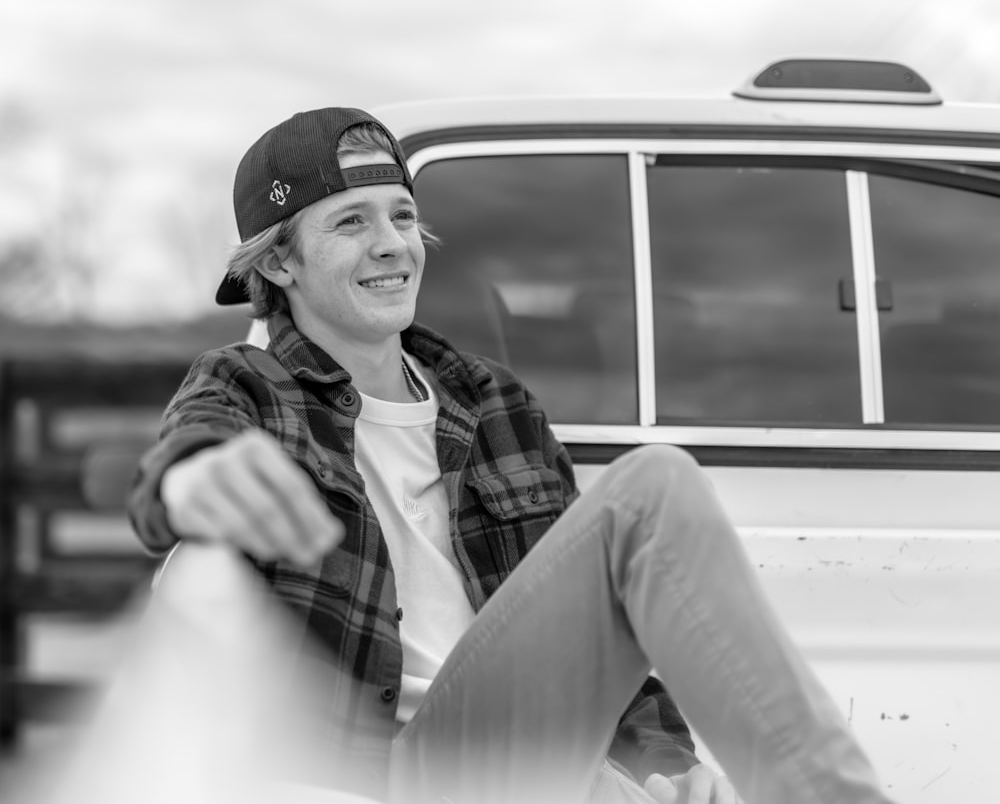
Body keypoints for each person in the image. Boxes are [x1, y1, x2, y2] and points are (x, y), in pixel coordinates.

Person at [127, 107, 896, 804]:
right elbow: (184, 455)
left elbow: (608, 634)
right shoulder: (248, 387)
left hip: (525, 761)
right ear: (279, 265)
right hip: (371, 776)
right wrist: (195, 479)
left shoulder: (495, 404)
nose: (393, 244)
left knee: (652, 497)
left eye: (402, 215)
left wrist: (662, 764)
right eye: (352, 222)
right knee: (654, 484)